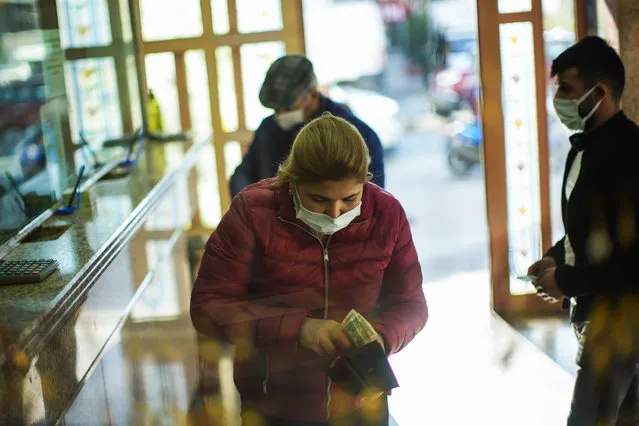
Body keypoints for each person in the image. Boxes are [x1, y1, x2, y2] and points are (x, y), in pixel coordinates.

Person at [192, 114, 427, 425]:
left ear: (365, 182)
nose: (334, 212)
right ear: (293, 181)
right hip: (273, 404)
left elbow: (411, 305)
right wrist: (300, 330)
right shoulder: (253, 212)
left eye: (349, 199)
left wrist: (382, 339)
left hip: (360, 402)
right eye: (318, 199)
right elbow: (209, 307)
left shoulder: (385, 213)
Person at [527, 36, 639, 426]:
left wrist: (567, 280)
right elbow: (589, 228)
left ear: (600, 93)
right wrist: (554, 258)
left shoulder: (629, 154)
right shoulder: (583, 148)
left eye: (567, 89)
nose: (557, 97)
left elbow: (632, 258)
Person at [229, 55, 385, 198]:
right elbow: (244, 174)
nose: (281, 114)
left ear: (313, 94)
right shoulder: (268, 128)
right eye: (276, 109)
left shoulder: (357, 135)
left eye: (289, 108)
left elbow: (373, 202)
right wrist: (248, 208)